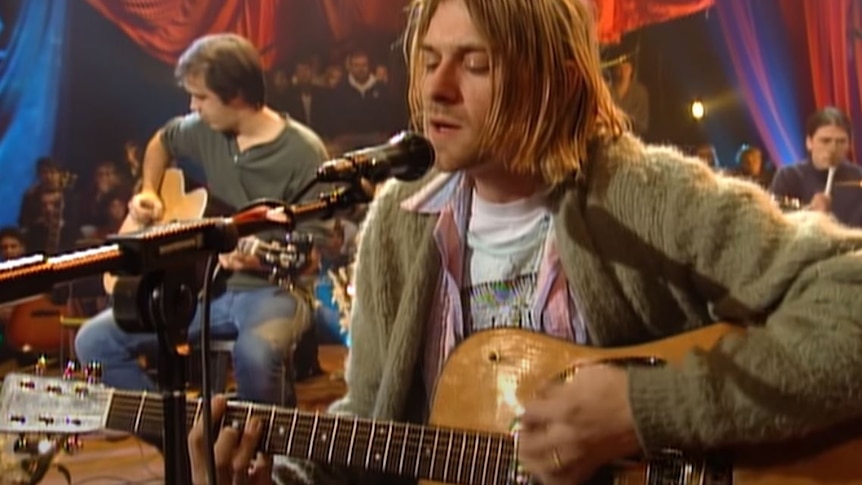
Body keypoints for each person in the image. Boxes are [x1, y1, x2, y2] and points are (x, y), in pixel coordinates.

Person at [190, 2, 862, 485]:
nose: (436, 88)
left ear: (559, 80)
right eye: (428, 61)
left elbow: (849, 294)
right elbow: (373, 419)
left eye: (474, 63)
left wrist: (642, 409)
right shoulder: (401, 215)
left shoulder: (645, 191)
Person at [75, 33, 331, 418]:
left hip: (273, 292)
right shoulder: (203, 129)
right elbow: (162, 141)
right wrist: (149, 192)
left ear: (237, 96)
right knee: (94, 341)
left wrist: (250, 260)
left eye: (201, 96)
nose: (192, 105)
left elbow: (310, 260)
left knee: (256, 353)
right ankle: (179, 437)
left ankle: (267, 465)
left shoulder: (304, 152)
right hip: (200, 291)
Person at [770, 107, 862, 226]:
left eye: (841, 142)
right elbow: (774, 225)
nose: (833, 149)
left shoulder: (858, 177)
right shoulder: (789, 176)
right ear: (809, 142)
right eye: (825, 141)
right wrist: (809, 214)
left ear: (849, 145)